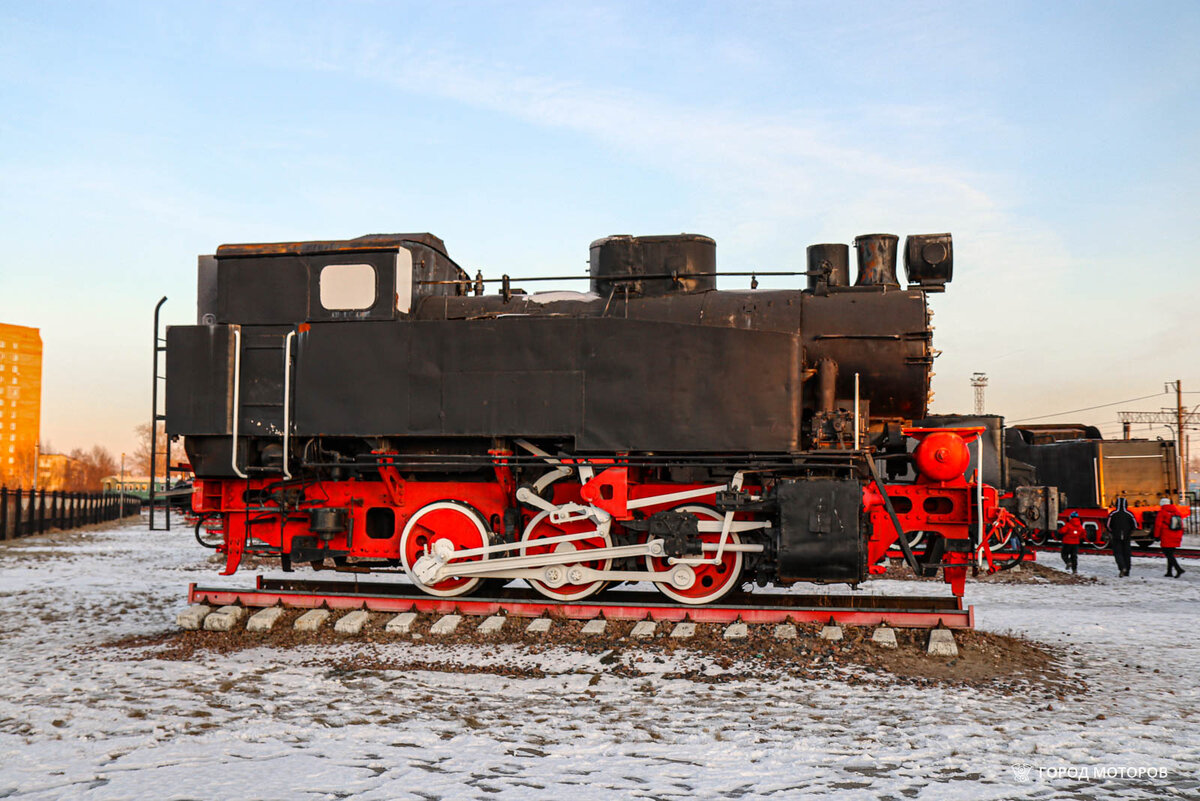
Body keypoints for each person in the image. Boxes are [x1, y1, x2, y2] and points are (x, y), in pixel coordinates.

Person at [1154, 498, 1187, 578]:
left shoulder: (1162, 512)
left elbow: (1158, 525)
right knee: (1170, 553)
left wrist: (1156, 536)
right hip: (1176, 535)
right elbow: (1181, 524)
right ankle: (1169, 572)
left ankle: (1178, 569)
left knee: (1168, 554)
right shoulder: (1177, 511)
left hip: (1167, 535)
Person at [1106, 497, 1136, 577]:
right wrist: (1130, 532)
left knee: (1118, 553)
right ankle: (1127, 571)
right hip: (1126, 536)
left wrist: (1112, 532)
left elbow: (1108, 525)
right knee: (1127, 553)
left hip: (1116, 536)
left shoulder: (1113, 514)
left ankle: (1122, 567)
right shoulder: (1130, 514)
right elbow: (1134, 525)